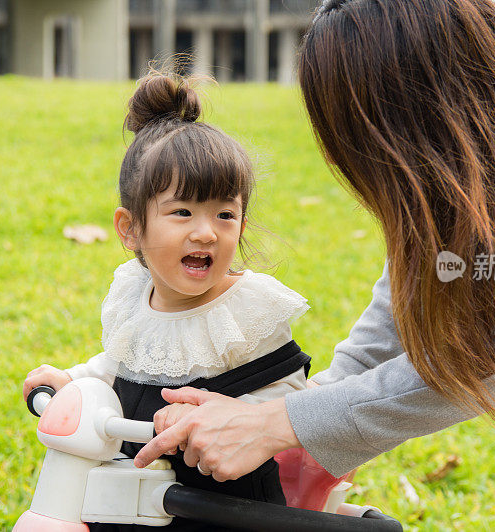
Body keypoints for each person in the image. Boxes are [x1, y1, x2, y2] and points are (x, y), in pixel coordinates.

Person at [133, 0, 495, 528]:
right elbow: (438, 251)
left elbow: (494, 348)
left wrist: (280, 424)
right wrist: (321, 409)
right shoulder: (485, 77)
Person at [22, 73, 313, 530]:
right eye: (182, 212)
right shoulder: (134, 297)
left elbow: (290, 399)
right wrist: (73, 380)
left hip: (221, 507)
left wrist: (216, 417)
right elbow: (123, 364)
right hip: (129, 495)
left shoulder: (244, 313)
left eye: (225, 214)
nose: (206, 231)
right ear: (130, 228)